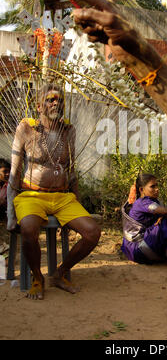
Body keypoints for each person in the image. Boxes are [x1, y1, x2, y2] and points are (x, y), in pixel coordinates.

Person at [7, 84, 101, 300]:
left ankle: (58, 274)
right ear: (39, 106)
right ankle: (37, 278)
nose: (56, 103)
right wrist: (11, 214)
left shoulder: (68, 131)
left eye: (59, 100)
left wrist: (77, 203)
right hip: (31, 195)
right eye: (50, 100)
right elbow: (14, 171)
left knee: (92, 232)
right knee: (29, 229)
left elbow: (72, 169)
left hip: (62, 197)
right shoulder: (26, 127)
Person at [121, 173, 167, 264]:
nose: (157, 189)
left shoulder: (152, 201)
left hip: (141, 244)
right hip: (137, 249)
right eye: (152, 186)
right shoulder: (142, 202)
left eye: (157, 185)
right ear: (142, 189)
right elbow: (165, 212)